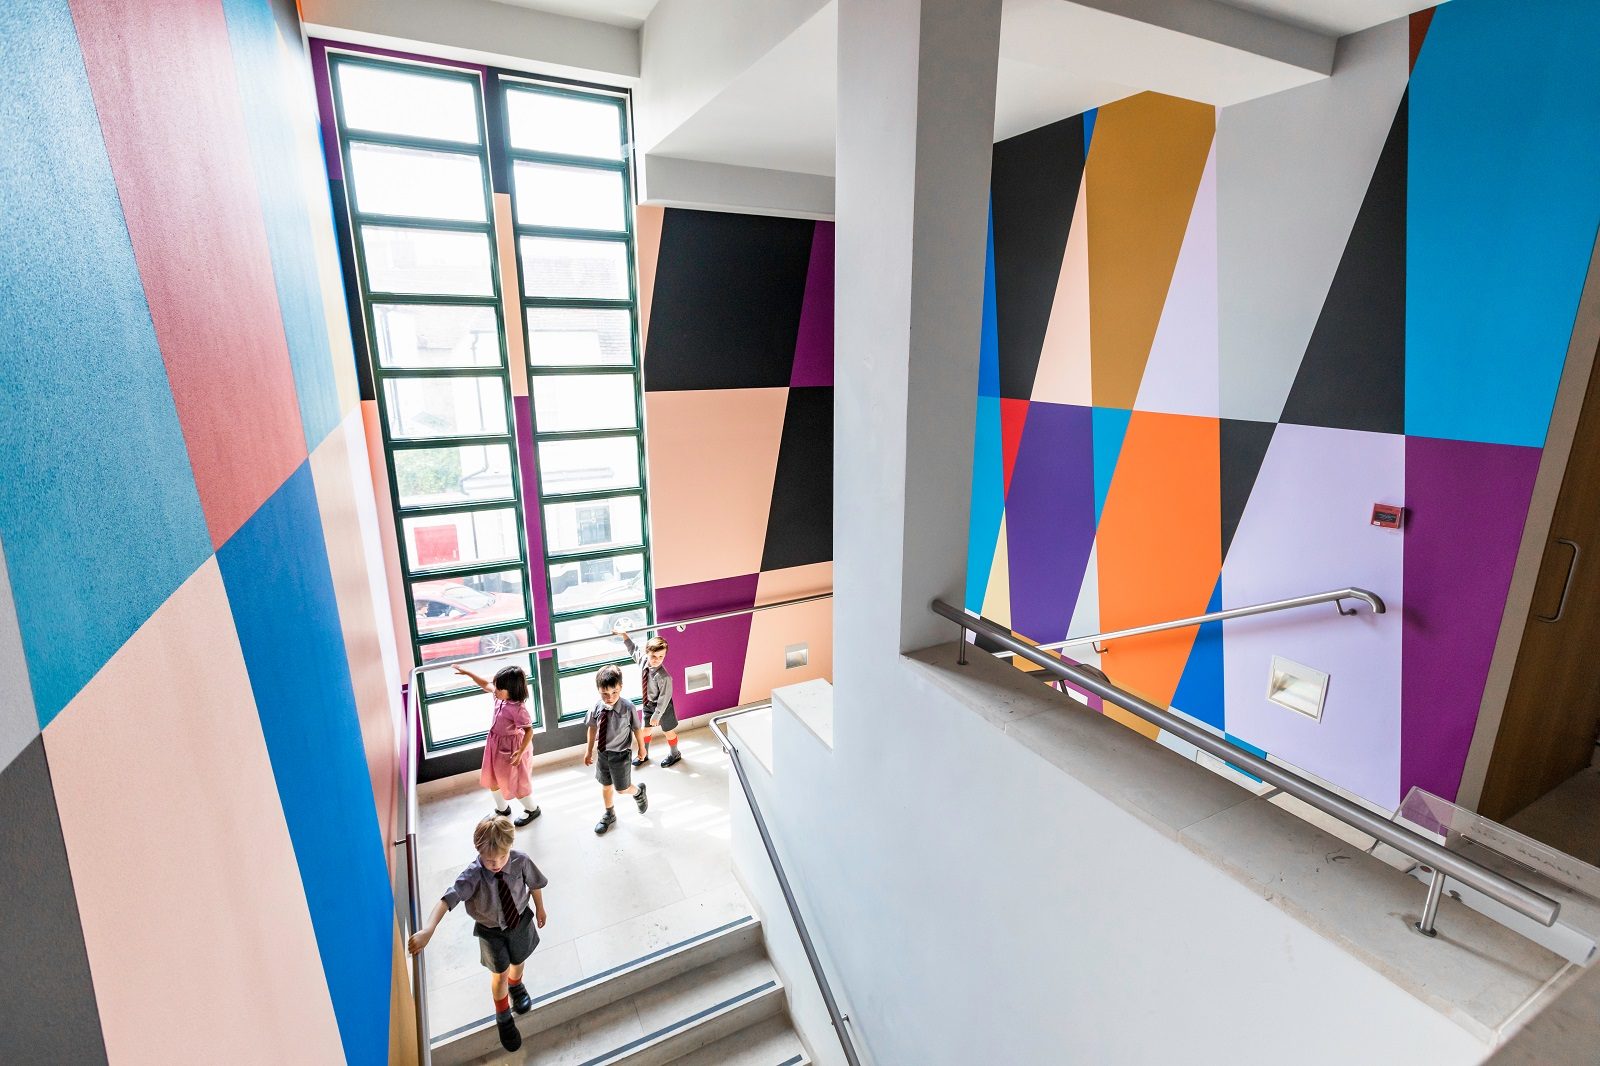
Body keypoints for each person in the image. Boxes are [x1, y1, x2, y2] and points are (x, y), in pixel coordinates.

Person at [408, 814, 548, 1053]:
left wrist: (541, 907)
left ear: (510, 847)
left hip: (519, 920)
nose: (496, 863)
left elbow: (534, 884)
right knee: (499, 973)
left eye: (502, 857)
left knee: (519, 959)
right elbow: (446, 900)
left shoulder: (520, 861)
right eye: (489, 859)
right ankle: (503, 1014)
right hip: (490, 931)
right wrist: (428, 930)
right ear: (479, 851)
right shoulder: (472, 875)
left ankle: (517, 986)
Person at [457, 664, 540, 826]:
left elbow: (529, 731)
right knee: (493, 777)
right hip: (495, 744)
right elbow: (485, 684)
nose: (495, 690)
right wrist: (468, 672)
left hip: (513, 749)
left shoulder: (518, 709)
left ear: (512, 690)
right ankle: (502, 809)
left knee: (514, 781)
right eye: (496, 686)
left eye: (499, 688)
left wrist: (520, 752)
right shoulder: (498, 697)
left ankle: (532, 808)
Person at [584, 663, 649, 835]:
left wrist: (642, 748)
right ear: (598, 690)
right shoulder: (596, 707)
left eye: (614, 692)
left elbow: (636, 728)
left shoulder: (628, 708)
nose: (610, 697)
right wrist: (589, 751)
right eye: (604, 694)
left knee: (621, 789)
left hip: (621, 755)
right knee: (606, 786)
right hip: (603, 754)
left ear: (621, 688)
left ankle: (639, 791)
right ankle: (609, 813)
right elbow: (592, 729)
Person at [614, 626, 682, 768]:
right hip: (648, 704)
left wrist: (657, 715)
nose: (656, 660)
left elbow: (664, 698)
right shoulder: (644, 661)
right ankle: (644, 754)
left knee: (668, 731)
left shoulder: (664, 677)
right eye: (653, 656)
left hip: (663, 707)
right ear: (648, 654)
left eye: (661, 657)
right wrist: (625, 636)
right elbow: (634, 650)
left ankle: (675, 753)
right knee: (645, 730)